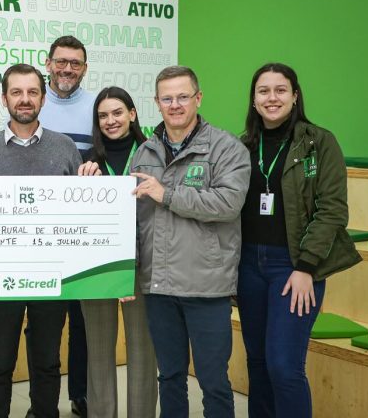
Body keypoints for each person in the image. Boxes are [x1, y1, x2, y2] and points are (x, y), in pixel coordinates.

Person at [237, 63, 361, 418]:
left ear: (295, 95)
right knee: (257, 363)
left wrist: (306, 267)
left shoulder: (319, 142)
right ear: (254, 100)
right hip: (248, 266)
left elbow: (332, 210)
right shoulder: (242, 145)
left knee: (284, 366)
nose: (272, 98)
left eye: (280, 90)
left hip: (293, 266)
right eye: (263, 91)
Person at [130, 65, 250, 418]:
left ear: (198, 98)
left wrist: (167, 194)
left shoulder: (226, 148)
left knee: (213, 381)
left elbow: (228, 204)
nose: (175, 105)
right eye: (167, 98)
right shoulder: (146, 152)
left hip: (206, 287)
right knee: (169, 377)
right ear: (157, 102)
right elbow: (136, 218)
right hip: (158, 286)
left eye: (183, 97)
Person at [0, 63, 82, 418]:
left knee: (47, 361)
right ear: (4, 99)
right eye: (16, 92)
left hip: (53, 275)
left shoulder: (65, 148)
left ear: (43, 99)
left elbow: (79, 213)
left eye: (32, 92)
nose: (25, 99)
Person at [77, 87, 157, 418]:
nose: (110, 120)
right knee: (97, 352)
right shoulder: (87, 161)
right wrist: (82, 185)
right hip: (99, 267)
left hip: (145, 264)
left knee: (143, 351)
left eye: (117, 113)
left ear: (132, 114)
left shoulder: (154, 154)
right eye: (103, 116)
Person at [37, 34, 94, 415]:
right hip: (40, 235)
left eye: (75, 63)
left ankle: (80, 395)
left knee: (82, 321)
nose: (67, 69)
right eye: (61, 61)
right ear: (48, 63)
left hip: (82, 232)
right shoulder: (32, 103)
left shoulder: (96, 106)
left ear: (84, 68)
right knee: (43, 324)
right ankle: (42, 402)